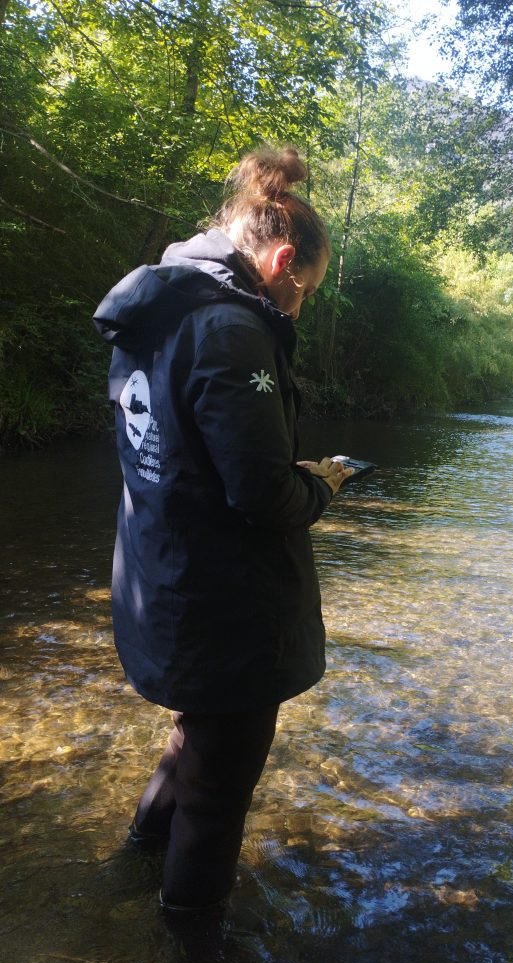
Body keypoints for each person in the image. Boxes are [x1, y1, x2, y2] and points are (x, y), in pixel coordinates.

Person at [93, 147, 353, 913]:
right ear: (279, 261)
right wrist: (324, 482)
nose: (299, 305)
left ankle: (133, 867)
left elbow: (181, 450)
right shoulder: (233, 330)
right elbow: (263, 496)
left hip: (162, 574)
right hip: (224, 602)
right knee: (219, 794)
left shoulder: (157, 310)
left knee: (193, 743)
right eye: (304, 289)